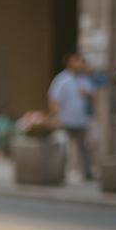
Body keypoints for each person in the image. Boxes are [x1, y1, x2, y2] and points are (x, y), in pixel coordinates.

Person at [48, 50, 96, 181]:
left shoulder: (85, 80)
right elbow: (54, 99)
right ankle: (59, 174)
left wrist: (88, 95)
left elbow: (93, 99)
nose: (80, 63)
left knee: (84, 147)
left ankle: (86, 173)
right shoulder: (62, 80)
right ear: (70, 62)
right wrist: (56, 117)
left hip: (81, 119)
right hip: (65, 119)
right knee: (63, 147)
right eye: (77, 60)